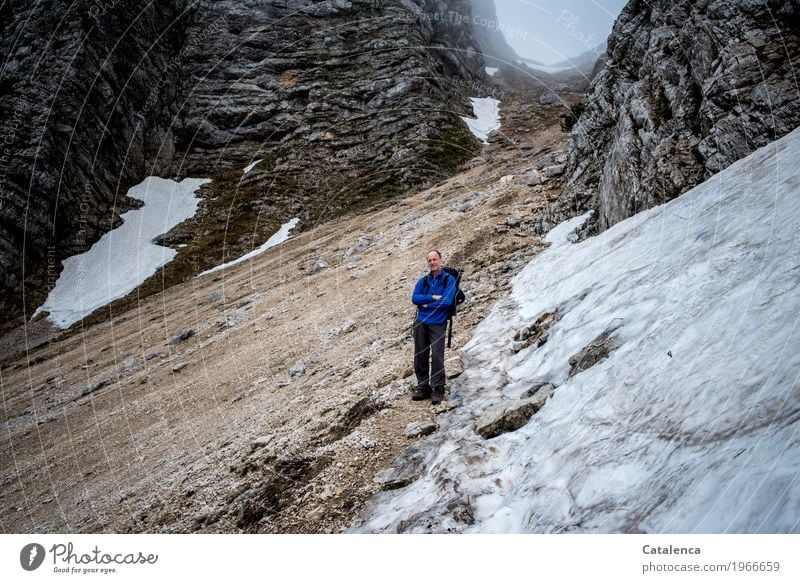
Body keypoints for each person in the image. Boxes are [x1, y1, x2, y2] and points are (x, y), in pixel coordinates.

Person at [411, 249, 457, 405]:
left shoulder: (448, 280)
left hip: (438, 322)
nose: (432, 262)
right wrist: (432, 297)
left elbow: (447, 302)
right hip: (421, 322)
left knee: (437, 355)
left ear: (440, 260)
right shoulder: (423, 281)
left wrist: (426, 304)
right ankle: (423, 386)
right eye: (429, 260)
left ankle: (438, 388)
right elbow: (414, 298)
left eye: (434, 259)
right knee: (420, 355)